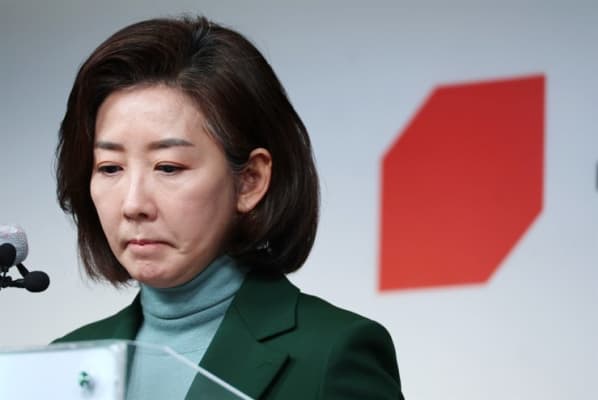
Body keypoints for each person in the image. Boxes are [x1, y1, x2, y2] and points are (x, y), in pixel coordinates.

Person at [53, 15, 405, 400]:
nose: (133, 204)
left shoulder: (331, 354)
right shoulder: (64, 362)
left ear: (250, 180)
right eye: (110, 168)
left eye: (168, 167)